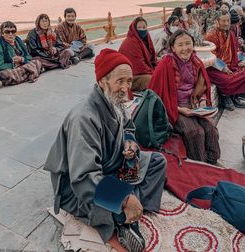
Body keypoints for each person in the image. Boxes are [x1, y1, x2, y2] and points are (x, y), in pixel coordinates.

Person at [44, 48, 167, 251]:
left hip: (111, 165)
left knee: (157, 162)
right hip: (78, 188)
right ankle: (124, 218)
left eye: (129, 81)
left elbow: (128, 127)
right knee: (107, 202)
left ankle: (130, 210)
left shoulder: (114, 100)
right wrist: (125, 198)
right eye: (120, 81)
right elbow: (83, 178)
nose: (126, 88)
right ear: (102, 81)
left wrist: (129, 142)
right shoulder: (84, 118)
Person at [148, 30, 221, 164]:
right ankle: (201, 164)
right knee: (194, 131)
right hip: (174, 107)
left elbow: (203, 86)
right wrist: (180, 109)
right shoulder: (165, 64)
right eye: (180, 45)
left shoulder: (196, 61)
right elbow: (156, 95)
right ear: (173, 48)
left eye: (188, 43)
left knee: (210, 128)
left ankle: (213, 160)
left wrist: (203, 101)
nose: (185, 48)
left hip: (194, 105)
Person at [205, 12, 245, 110]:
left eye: (228, 20)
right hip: (214, 68)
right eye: (223, 21)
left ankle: (234, 95)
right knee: (227, 80)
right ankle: (225, 96)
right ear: (217, 22)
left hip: (230, 64)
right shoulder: (211, 35)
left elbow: (233, 52)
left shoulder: (230, 33)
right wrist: (223, 67)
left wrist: (237, 62)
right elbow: (210, 56)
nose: (226, 23)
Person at [0, 21, 42, 87]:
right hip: (8, 68)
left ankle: (21, 76)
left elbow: (29, 57)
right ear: (2, 34)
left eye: (13, 31)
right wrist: (14, 64)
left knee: (37, 62)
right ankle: (29, 73)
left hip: (21, 66)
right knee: (7, 74)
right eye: (7, 32)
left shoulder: (18, 40)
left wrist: (22, 59)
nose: (11, 34)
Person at [118, 17, 157, 91]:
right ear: (134, 29)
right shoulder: (131, 42)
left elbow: (152, 59)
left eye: (144, 27)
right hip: (129, 76)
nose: (142, 30)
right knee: (153, 80)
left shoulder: (144, 40)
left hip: (141, 71)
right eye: (139, 27)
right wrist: (154, 72)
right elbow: (139, 66)